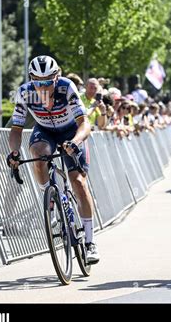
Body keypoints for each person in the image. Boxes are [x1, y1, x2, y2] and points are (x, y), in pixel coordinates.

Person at [6, 55, 100, 264]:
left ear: (57, 76)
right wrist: (14, 152)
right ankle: (49, 197)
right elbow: (16, 129)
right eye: (37, 82)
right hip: (45, 131)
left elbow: (85, 123)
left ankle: (90, 242)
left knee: (78, 181)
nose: (42, 87)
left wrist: (75, 142)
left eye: (48, 81)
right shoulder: (25, 92)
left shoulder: (67, 88)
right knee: (38, 156)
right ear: (31, 78)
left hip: (71, 131)